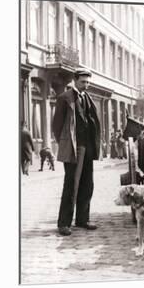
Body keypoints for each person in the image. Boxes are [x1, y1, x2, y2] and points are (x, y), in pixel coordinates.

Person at [52, 68, 101, 236]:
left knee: (88, 184)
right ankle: (64, 223)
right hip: (74, 148)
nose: (86, 85)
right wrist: (65, 143)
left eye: (88, 82)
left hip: (88, 148)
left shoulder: (87, 98)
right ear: (75, 80)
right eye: (83, 82)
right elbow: (56, 126)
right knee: (71, 185)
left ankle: (82, 219)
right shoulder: (64, 98)